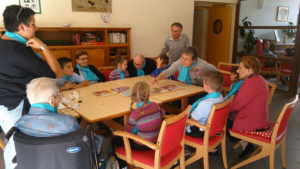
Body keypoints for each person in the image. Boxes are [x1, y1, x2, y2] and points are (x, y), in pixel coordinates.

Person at [0, 5, 62, 169]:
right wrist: (43, 47)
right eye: (33, 24)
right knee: (18, 149)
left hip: (4, 104)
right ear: (22, 26)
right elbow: (56, 73)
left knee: (13, 144)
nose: (36, 27)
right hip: (13, 106)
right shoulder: (19, 51)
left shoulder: (3, 43)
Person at [228, 56, 269, 158]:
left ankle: (247, 145)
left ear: (250, 70)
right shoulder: (260, 78)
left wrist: (222, 107)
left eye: (240, 68)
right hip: (260, 120)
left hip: (253, 123)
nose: (237, 71)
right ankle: (246, 144)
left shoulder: (249, 83)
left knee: (223, 123)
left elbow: (236, 106)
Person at [15, 77, 80, 137]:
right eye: (59, 96)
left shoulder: (19, 124)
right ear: (52, 100)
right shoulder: (69, 123)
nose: (60, 99)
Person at [152, 47, 216, 87]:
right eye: (182, 58)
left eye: (186, 59)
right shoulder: (179, 62)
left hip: (201, 89)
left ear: (194, 60)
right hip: (187, 87)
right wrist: (157, 78)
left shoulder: (203, 65)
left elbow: (216, 72)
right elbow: (168, 71)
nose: (183, 61)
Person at [186, 70, 224, 137]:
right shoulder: (220, 97)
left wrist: (181, 121)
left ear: (206, 86)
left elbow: (191, 122)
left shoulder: (204, 104)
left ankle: (187, 145)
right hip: (214, 128)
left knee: (174, 124)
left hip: (200, 131)